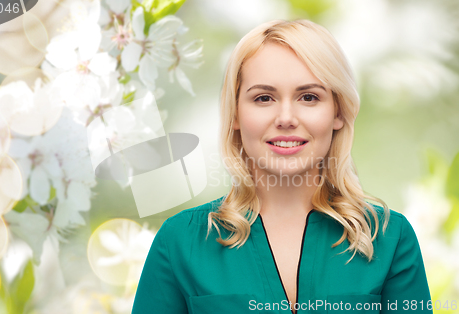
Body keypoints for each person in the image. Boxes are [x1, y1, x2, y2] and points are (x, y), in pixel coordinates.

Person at [131, 19, 432, 314]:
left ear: (337, 112)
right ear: (235, 114)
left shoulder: (389, 238)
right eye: (264, 98)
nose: (286, 117)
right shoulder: (180, 243)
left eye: (309, 97)